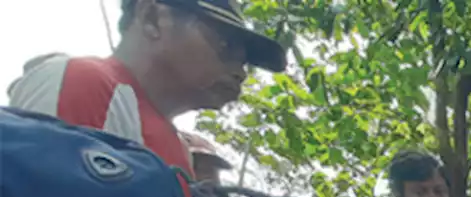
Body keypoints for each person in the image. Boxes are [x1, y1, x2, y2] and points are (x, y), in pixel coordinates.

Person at [7, 0, 285, 175]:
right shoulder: (88, 82)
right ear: (152, 18)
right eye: (225, 46)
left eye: (244, 61)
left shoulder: (179, 145)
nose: (240, 73)